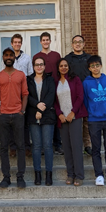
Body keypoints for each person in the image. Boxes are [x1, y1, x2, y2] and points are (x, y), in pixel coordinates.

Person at [83, 55, 106, 186]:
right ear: (89, 68)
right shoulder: (86, 83)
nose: (95, 68)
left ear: (101, 65)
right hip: (94, 120)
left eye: (97, 65)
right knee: (96, 149)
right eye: (92, 66)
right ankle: (98, 175)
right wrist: (91, 113)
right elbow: (86, 101)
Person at [0, 47, 29, 189]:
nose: (8, 57)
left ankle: (20, 176)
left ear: (14, 58)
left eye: (11, 55)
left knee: (20, 146)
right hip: (4, 115)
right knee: (3, 147)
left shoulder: (21, 75)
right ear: (3, 58)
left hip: (18, 115)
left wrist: (22, 111)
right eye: (6, 55)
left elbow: (25, 94)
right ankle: (6, 177)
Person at [54, 58, 87, 187]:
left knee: (76, 147)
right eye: (61, 65)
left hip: (75, 117)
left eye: (65, 65)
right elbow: (54, 101)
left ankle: (79, 175)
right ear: (58, 68)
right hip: (63, 119)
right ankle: (70, 174)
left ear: (69, 67)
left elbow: (80, 96)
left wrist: (73, 112)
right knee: (67, 148)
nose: (63, 67)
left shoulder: (75, 79)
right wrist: (59, 114)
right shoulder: (56, 82)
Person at [1, 34, 32, 157]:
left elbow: (30, 76)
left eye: (19, 42)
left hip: (23, 94)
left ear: (21, 43)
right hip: (10, 94)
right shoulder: (8, 58)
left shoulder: (27, 58)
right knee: (11, 122)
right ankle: (12, 147)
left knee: (24, 121)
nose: (17, 44)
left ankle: (26, 146)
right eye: (15, 42)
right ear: (12, 43)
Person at [26, 57, 56, 186]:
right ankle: (37, 174)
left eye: (41, 64)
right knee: (37, 146)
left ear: (44, 66)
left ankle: (49, 174)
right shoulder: (29, 80)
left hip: (47, 116)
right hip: (33, 116)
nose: (39, 67)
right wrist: (38, 105)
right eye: (37, 65)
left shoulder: (49, 80)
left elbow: (51, 96)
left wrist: (41, 111)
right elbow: (27, 95)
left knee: (48, 146)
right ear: (33, 66)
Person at [33, 32, 63, 155]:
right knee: (43, 116)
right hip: (42, 90)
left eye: (47, 40)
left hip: (56, 89)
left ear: (50, 41)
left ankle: (57, 143)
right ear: (40, 42)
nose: (45, 42)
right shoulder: (36, 56)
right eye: (43, 40)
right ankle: (44, 145)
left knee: (55, 115)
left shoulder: (56, 55)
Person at [65, 35, 92, 156]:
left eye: (80, 42)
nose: (77, 44)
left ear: (83, 44)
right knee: (75, 119)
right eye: (75, 42)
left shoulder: (89, 58)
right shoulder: (68, 59)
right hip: (73, 94)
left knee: (87, 120)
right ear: (72, 44)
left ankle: (88, 145)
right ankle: (75, 145)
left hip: (87, 92)